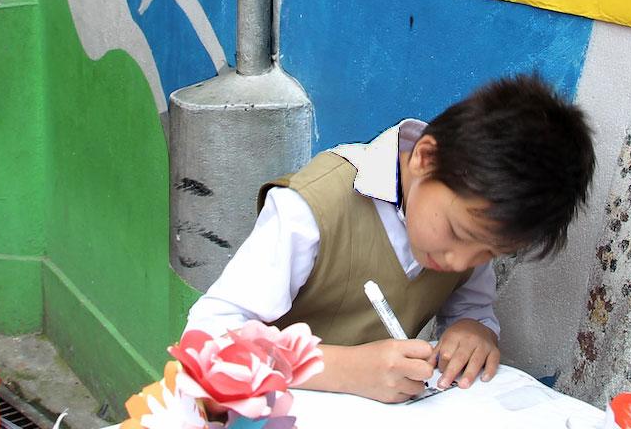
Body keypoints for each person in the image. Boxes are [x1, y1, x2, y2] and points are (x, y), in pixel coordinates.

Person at [186, 74, 596, 402]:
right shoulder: (313, 209)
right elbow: (207, 341)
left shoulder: (470, 226)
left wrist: (475, 330)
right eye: (457, 233)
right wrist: (343, 370)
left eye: (489, 252)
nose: (460, 262)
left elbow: (473, 308)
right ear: (426, 157)